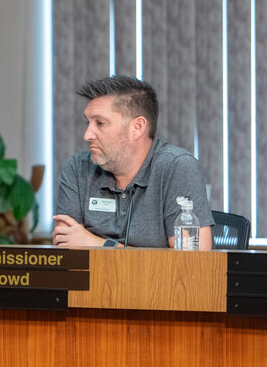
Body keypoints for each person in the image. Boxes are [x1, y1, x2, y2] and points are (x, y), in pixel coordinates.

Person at [52, 75, 213, 249]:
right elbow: (66, 248)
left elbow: (192, 266)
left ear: (137, 127)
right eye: (88, 122)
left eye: (100, 123)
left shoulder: (178, 167)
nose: (87, 135)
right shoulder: (78, 168)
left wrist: (98, 244)